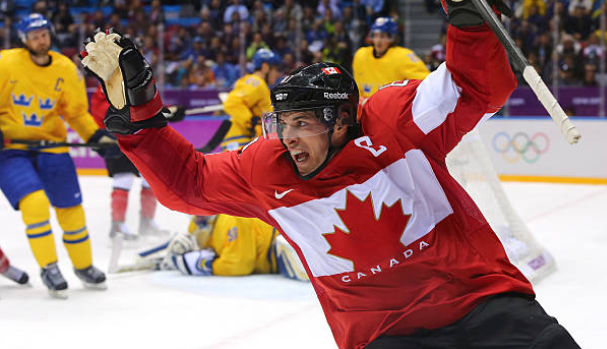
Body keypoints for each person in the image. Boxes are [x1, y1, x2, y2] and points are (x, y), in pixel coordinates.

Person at [82, 1, 580, 347]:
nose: (289, 137)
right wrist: (143, 116)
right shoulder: (265, 168)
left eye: (304, 123)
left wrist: (470, 19)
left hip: (480, 303)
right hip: (384, 335)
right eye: (283, 123)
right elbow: (187, 184)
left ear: (342, 119)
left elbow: (476, 86)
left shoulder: (396, 123)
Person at [0, 14, 110, 297]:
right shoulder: (6, 63)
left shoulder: (63, 67)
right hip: (12, 150)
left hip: (53, 148)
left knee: (70, 209)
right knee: (34, 204)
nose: (41, 39)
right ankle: (49, 267)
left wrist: (94, 137)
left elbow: (75, 113)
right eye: (34, 36)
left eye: (44, 34)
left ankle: (84, 266)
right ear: (24, 40)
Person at [89, 35, 185, 241]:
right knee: (123, 178)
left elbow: (147, 107)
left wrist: (165, 113)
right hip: (118, 138)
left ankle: (147, 222)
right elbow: (101, 112)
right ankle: (117, 226)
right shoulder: (110, 81)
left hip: (138, 138)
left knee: (149, 179)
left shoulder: (137, 79)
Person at [141, 215, 308, 281]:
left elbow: (239, 265)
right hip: (275, 258)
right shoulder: (197, 222)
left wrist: (204, 265)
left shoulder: (230, 220)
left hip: (282, 245)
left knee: (292, 253)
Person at [352, 17, 430, 106]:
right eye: (376, 35)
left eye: (383, 36)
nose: (378, 41)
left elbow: (426, 80)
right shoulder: (360, 55)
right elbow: (357, 88)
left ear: (392, 38)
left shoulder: (403, 56)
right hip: (366, 109)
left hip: (392, 109)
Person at [216, 48, 282, 152]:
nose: (278, 74)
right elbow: (232, 102)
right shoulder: (256, 83)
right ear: (265, 67)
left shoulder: (258, 84)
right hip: (239, 139)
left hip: (243, 139)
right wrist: (250, 122)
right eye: (276, 70)